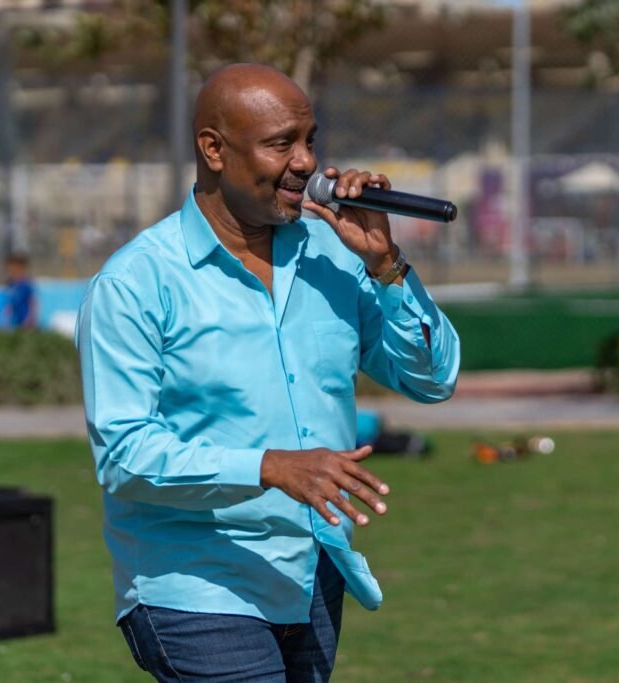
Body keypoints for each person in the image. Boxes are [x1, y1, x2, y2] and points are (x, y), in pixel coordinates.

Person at [75, 63, 460, 681]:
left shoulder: (335, 254)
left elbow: (433, 378)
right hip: (195, 585)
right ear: (214, 150)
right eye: (282, 143)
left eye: (310, 139)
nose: (306, 162)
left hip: (312, 575)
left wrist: (387, 266)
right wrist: (270, 466)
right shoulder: (136, 282)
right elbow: (124, 455)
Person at [2, 252, 37, 328]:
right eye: (10, 268)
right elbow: (10, 303)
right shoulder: (11, 285)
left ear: (21, 268)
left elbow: (33, 302)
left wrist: (30, 319)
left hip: (25, 323)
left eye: (15, 268)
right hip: (14, 323)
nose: (12, 271)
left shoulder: (26, 284)